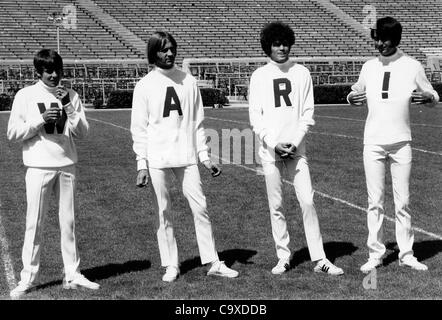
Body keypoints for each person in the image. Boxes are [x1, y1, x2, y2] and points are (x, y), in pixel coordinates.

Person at [130, 31, 239, 282]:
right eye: (163, 49)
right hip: (157, 158)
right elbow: (139, 129)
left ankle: (213, 261)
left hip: (187, 155)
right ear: (154, 52)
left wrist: (205, 157)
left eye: (171, 49)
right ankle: (171, 264)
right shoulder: (145, 85)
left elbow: (197, 123)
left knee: (200, 208)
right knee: (163, 211)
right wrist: (141, 164)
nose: (168, 53)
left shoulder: (188, 81)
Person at [248, 22, 344, 276]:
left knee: (308, 200)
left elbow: (308, 112)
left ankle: (320, 258)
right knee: (276, 204)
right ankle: (283, 256)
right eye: (276, 43)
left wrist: (296, 140)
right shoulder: (259, 76)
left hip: (297, 150)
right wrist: (273, 143)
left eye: (285, 43)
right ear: (267, 46)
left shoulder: (301, 72)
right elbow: (255, 117)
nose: (281, 48)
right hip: (269, 152)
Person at [348, 16, 439, 273]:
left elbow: (432, 95)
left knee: (403, 202)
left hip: (401, 142)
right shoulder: (369, 66)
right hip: (373, 142)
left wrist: (430, 97)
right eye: (377, 39)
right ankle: (375, 253)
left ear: (396, 39)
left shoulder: (412, 66)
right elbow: (355, 90)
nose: (380, 44)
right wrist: (351, 97)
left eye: (385, 39)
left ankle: (406, 254)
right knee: (374, 201)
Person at [7, 49, 99, 299]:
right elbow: (13, 133)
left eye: (58, 70)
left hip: (67, 164)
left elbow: (83, 133)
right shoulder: (25, 95)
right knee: (34, 223)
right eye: (49, 71)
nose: (55, 75)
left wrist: (68, 106)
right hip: (38, 166)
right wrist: (40, 120)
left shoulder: (71, 95)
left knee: (68, 222)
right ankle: (28, 278)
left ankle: (72, 273)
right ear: (38, 72)